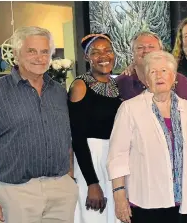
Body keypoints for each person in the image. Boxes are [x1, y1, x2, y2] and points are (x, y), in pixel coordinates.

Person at [0, 26, 78, 223]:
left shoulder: (59, 92)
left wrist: (69, 178)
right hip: (15, 192)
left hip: (61, 191)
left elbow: (66, 139)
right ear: (16, 54)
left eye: (44, 52)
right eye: (31, 51)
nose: (39, 58)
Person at [108, 51, 187, 223]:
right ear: (146, 80)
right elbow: (117, 155)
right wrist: (119, 195)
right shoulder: (129, 109)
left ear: (173, 77)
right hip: (144, 201)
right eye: (152, 72)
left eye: (164, 71)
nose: (159, 76)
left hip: (182, 201)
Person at [68, 33, 122, 223]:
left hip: (112, 158)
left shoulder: (115, 85)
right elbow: (78, 137)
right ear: (86, 57)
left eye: (107, 50)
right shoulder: (80, 86)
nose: (103, 56)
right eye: (96, 52)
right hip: (90, 160)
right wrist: (92, 182)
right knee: (94, 217)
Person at [116, 31, 187, 112]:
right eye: (140, 47)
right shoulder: (120, 82)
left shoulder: (179, 80)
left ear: (161, 51)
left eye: (151, 47)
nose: (146, 51)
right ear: (132, 53)